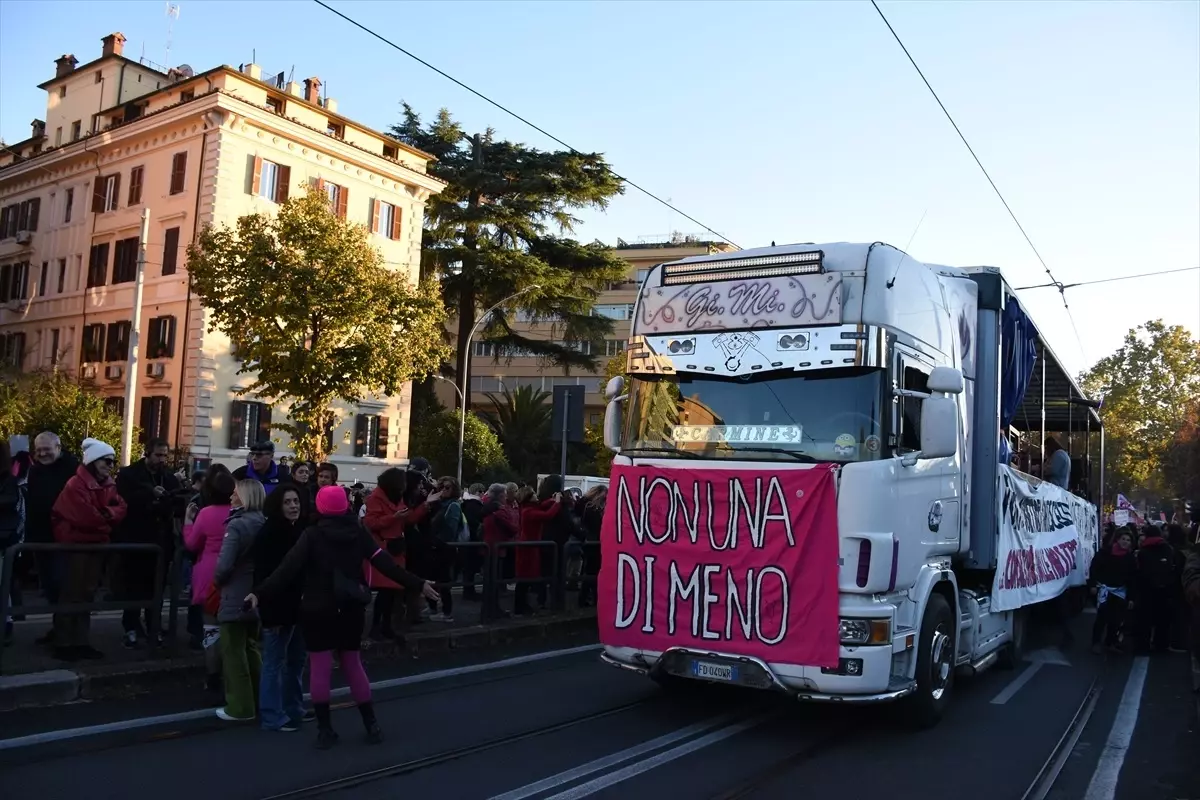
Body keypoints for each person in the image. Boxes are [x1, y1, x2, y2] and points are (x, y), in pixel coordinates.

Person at [246, 486, 440, 749]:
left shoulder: (312, 535)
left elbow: (286, 570)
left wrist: (259, 593)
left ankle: (325, 730)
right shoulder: (357, 533)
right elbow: (384, 562)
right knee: (353, 664)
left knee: (320, 667)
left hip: (317, 609)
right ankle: (371, 723)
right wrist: (417, 583)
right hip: (350, 607)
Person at [50, 438, 127, 661]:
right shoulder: (76, 484)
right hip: (77, 544)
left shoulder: (104, 484)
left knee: (86, 594)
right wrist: (109, 516)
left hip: (91, 543)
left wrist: (105, 515)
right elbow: (86, 517)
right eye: (106, 461)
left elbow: (119, 508)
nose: (110, 466)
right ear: (94, 461)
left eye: (112, 462)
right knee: (73, 593)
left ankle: (79, 641)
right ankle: (65, 642)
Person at [113, 438, 181, 649]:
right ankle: (131, 627)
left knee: (157, 589)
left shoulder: (169, 478)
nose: (162, 460)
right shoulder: (129, 475)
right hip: (136, 538)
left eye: (164, 456)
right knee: (133, 587)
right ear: (147, 453)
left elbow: (175, 505)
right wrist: (149, 496)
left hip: (161, 542)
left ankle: (154, 627)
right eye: (158, 455)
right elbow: (124, 500)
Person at [362, 468, 445, 640]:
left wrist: (426, 504)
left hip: (396, 546)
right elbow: (371, 523)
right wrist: (395, 517)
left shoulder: (395, 496)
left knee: (392, 591)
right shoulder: (375, 498)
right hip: (384, 548)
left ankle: (385, 627)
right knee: (385, 591)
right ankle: (377, 627)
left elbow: (408, 519)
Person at [253, 483, 310, 732]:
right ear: (278, 505)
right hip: (278, 607)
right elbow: (264, 575)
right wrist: (268, 611)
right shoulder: (271, 533)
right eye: (287, 502)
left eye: (296, 501)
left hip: (298, 606)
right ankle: (272, 715)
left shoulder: (299, 530)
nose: (293, 506)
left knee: (296, 660)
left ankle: (293, 708)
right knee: (274, 662)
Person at [213, 479, 266, 721]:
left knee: (233, 652)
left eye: (235, 493)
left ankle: (240, 706)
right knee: (251, 648)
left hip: (235, 592)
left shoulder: (236, 526)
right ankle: (259, 699)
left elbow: (224, 565)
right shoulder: (264, 523)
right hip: (256, 592)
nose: (231, 497)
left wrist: (217, 580)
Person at [24, 432, 78, 645]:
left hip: (64, 537)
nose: (42, 453)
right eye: (38, 450)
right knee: (49, 587)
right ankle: (59, 629)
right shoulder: (36, 470)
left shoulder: (73, 469)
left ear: (58, 447)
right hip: (41, 536)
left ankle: (66, 633)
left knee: (62, 585)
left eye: (46, 449)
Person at [184, 469, 235, 693]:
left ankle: (212, 677)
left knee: (211, 630)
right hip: (233, 571)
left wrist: (187, 521)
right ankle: (234, 678)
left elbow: (192, 544)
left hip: (208, 574)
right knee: (233, 631)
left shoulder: (205, 514)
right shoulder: (238, 512)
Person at [515, 483, 563, 615]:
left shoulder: (528, 508)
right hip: (528, 546)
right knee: (525, 578)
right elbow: (548, 515)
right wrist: (557, 503)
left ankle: (522, 605)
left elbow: (542, 506)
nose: (537, 496)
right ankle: (520, 606)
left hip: (530, 545)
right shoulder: (529, 512)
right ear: (529, 497)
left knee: (527, 577)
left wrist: (552, 500)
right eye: (534, 494)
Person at [1090, 528, 1136, 653]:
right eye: (1123, 539)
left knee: (1116, 619)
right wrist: (1093, 584)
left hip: (1120, 592)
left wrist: (1131, 597)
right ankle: (1096, 642)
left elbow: (1132, 578)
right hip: (1104, 590)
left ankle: (1110, 642)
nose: (1125, 542)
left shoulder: (1130, 558)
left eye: (1128, 540)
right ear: (1117, 539)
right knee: (1102, 617)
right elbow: (1094, 568)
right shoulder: (1105, 553)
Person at [427, 477, 466, 622]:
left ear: (454, 489)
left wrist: (438, 541)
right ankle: (433, 606)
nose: (443, 490)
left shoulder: (453, 505)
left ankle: (447, 612)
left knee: (444, 581)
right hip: (435, 547)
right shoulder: (439, 504)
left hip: (444, 548)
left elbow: (451, 529)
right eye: (441, 487)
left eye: (447, 488)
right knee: (433, 578)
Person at [1133, 525, 1176, 654]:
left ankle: (1142, 646)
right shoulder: (1167, 548)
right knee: (1162, 620)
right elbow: (1171, 567)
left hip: (1146, 589)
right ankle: (1161, 645)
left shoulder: (1143, 551)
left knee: (1145, 620)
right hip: (1164, 589)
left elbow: (1139, 571)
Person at [0, 441, 24, 645]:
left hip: (2, 538)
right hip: (5, 536)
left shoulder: (8, 480)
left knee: (2, 583)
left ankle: (6, 623)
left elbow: (10, 501)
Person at [576, 486, 607, 608]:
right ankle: (590, 598)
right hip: (595, 542)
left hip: (591, 541)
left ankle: (587, 598)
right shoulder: (594, 509)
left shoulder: (588, 507)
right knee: (593, 571)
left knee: (590, 571)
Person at [461, 484, 486, 601]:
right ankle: (469, 592)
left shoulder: (466, 504)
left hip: (467, 539)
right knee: (471, 568)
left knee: (468, 568)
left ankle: (468, 591)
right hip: (473, 540)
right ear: (478, 492)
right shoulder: (475, 506)